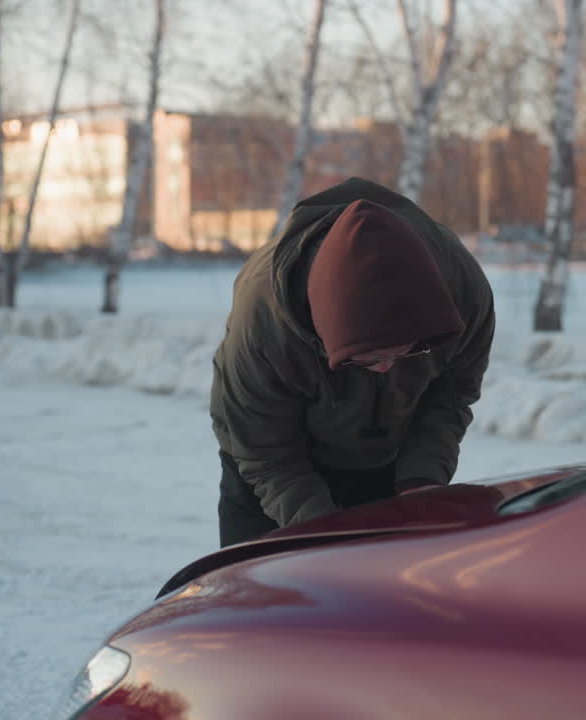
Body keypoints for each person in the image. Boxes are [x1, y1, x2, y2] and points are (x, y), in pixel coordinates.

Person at [210, 177, 496, 546]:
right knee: (265, 590)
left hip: (389, 453)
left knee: (381, 588)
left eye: (409, 352)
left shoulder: (464, 294)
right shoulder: (263, 322)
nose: (385, 369)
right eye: (368, 358)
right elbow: (269, 458)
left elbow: (452, 395)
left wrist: (422, 481)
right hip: (267, 463)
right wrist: (327, 534)